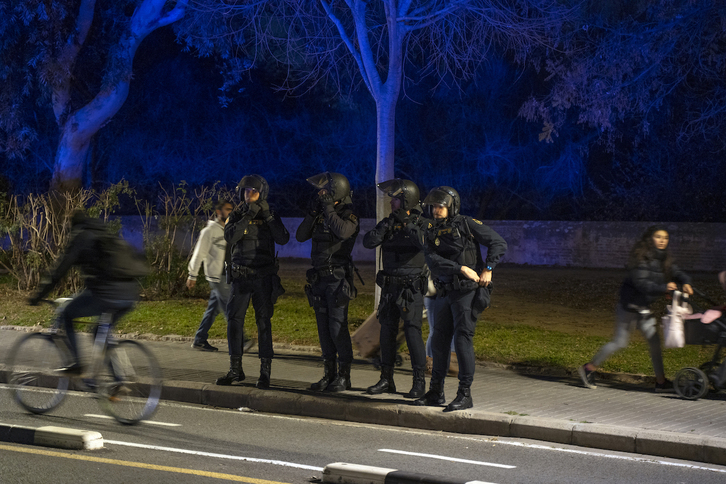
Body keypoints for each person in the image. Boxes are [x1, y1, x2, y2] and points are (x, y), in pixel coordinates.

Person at [414, 186, 507, 412]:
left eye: (440, 206)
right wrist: (461, 268)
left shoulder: (466, 224)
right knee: (439, 341)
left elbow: (498, 243)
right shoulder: (430, 229)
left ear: (451, 206)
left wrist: (488, 268)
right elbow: (433, 260)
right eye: (433, 206)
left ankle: (465, 394)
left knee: (463, 340)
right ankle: (436, 391)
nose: (436, 210)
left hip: (466, 292)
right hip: (445, 291)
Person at [578, 225, 692, 392]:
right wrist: (664, 287)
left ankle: (660, 382)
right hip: (629, 307)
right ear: (650, 239)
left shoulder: (664, 258)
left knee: (654, 343)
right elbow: (642, 284)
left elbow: (677, 272)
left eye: (665, 238)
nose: (662, 241)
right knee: (620, 343)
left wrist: (686, 281)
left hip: (644, 309)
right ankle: (588, 368)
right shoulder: (640, 257)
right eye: (658, 237)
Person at [28, 211, 141, 373]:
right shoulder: (103, 234)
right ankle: (118, 380)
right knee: (98, 332)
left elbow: (58, 272)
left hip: (106, 294)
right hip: (129, 295)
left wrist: (38, 296)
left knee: (66, 313)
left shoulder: (81, 237)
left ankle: (77, 363)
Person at [216, 175, 289, 389]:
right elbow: (231, 237)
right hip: (241, 277)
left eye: (253, 191)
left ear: (261, 193)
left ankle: (265, 372)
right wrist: (248, 215)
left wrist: (266, 214)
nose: (249, 194)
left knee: (264, 323)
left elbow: (283, 238)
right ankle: (235, 369)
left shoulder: (270, 214)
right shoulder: (237, 214)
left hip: (263, 277)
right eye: (246, 191)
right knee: (234, 321)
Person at [363, 179, 428, 398]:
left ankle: (419, 383)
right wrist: (386, 225)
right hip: (390, 286)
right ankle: (386, 379)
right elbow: (369, 242)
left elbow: (423, 243)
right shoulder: (389, 222)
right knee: (387, 333)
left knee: (412, 334)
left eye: (396, 199)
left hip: (410, 288)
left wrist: (407, 223)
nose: (391, 203)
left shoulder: (421, 222)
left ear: (407, 199)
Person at [297, 172, 360, 392]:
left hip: (337, 279)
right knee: (323, 329)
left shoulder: (348, 216)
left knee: (337, 328)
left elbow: (342, 232)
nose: (320, 193)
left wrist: (328, 209)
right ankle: (328, 374)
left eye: (325, 190)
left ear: (337, 192)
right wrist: (314, 212)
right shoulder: (321, 213)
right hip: (319, 278)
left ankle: (344, 376)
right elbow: (300, 235)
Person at [187, 200, 234, 352]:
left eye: (231, 210)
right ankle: (242, 340)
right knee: (229, 307)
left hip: (226, 274)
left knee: (213, 308)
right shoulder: (209, 231)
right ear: (219, 212)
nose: (230, 212)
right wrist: (192, 275)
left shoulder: (228, 230)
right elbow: (199, 253)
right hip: (215, 276)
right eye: (227, 209)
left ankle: (200, 339)